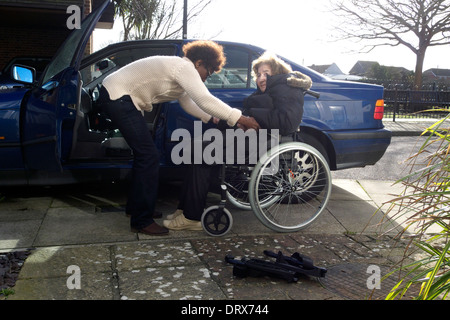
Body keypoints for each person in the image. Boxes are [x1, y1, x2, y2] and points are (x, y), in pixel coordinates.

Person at [97, 40, 260, 236]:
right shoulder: (184, 66)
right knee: (148, 157)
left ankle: (136, 208)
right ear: (199, 62)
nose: (207, 78)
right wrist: (240, 118)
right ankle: (141, 220)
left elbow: (189, 103)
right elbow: (204, 99)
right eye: (208, 72)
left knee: (145, 156)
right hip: (119, 97)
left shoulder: (180, 71)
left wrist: (214, 119)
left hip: (120, 97)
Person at [164, 51, 312, 231]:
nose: (261, 78)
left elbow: (287, 122)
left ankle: (191, 217)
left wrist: (251, 118)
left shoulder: (288, 90)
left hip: (264, 143)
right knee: (194, 148)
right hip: (252, 139)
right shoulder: (269, 92)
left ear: (278, 73)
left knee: (201, 153)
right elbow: (258, 118)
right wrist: (237, 120)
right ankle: (185, 208)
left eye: (266, 73)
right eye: (258, 74)